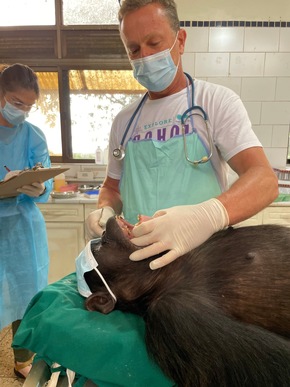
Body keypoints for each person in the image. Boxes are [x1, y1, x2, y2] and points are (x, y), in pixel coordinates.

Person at [86, 0, 278, 270]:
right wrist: (105, 209)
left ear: (181, 41)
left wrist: (206, 216)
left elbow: (264, 181)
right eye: (134, 49)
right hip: (137, 263)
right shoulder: (124, 121)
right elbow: (112, 187)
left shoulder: (216, 102)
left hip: (203, 266)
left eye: (154, 43)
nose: (145, 57)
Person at [0, 63, 53, 378]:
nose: (22, 111)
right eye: (17, 103)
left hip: (23, 228)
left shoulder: (33, 135)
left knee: (25, 292)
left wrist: (40, 185)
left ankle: (22, 359)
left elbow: (43, 170)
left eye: (28, 106)